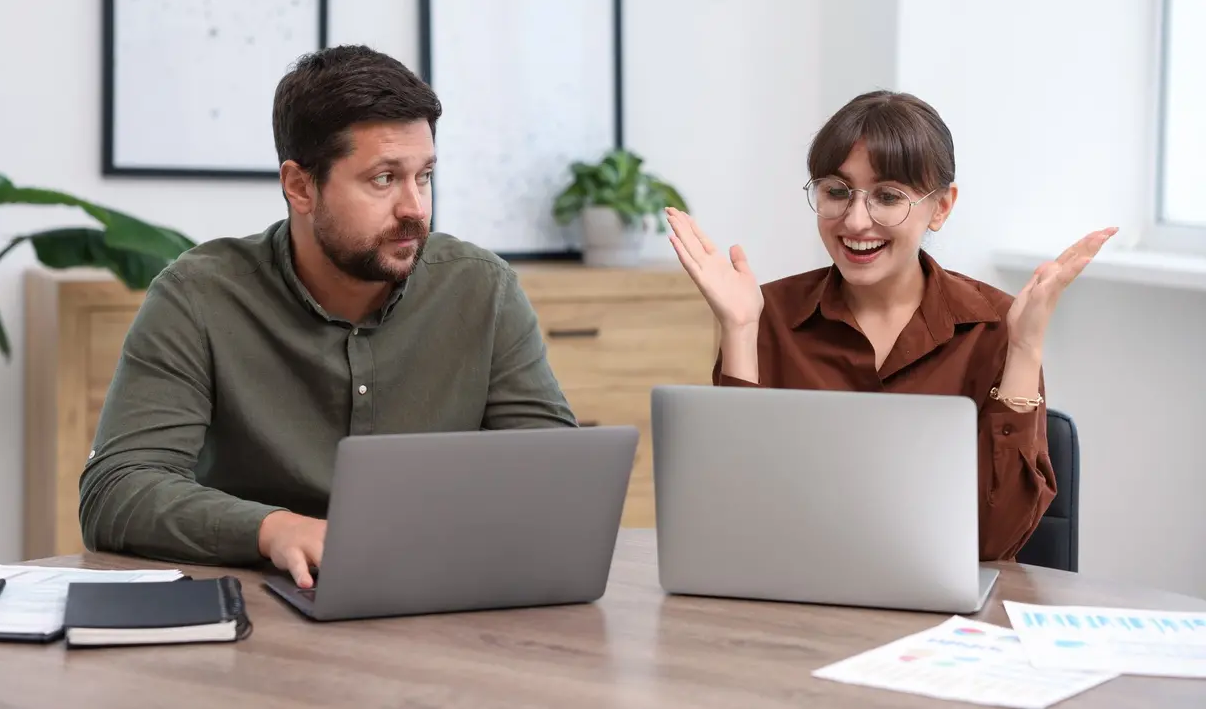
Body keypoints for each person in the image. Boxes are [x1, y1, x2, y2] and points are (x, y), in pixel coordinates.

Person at [79, 44, 577, 587]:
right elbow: (117, 489)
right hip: (261, 603)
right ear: (300, 187)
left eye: (424, 176)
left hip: (439, 596)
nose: (415, 209)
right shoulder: (198, 297)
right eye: (383, 179)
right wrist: (272, 529)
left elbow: (559, 481)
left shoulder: (482, 289)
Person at [665, 90, 1115, 562]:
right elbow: (735, 516)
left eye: (888, 197)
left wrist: (1024, 349)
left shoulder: (996, 326)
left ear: (941, 207)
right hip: (793, 591)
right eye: (836, 192)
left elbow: (993, 544)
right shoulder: (763, 314)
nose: (856, 221)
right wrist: (739, 330)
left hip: (940, 604)